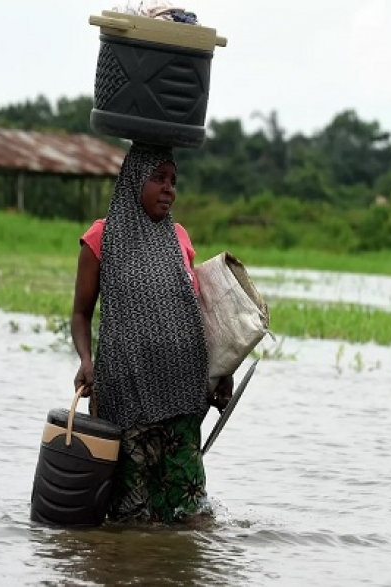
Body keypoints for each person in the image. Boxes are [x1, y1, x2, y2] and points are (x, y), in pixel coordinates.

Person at [71, 142, 233, 524]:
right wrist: (85, 360)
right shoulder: (101, 238)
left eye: (173, 181)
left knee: (191, 515)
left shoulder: (180, 239)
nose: (169, 188)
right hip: (125, 399)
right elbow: (80, 313)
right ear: (133, 181)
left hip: (183, 395)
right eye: (158, 178)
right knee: (132, 520)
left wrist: (223, 371)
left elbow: (203, 316)